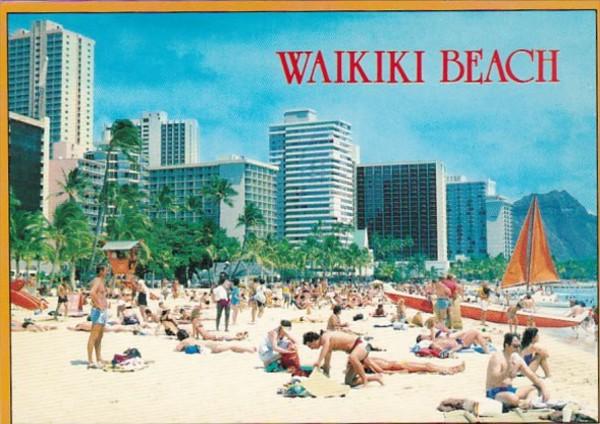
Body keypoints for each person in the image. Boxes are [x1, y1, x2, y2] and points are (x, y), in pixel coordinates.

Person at [485, 333, 549, 409]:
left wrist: (544, 388)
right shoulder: (497, 358)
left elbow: (531, 375)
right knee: (513, 398)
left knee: (536, 389)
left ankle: (526, 402)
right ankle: (524, 402)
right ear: (506, 345)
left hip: (510, 390)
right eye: (515, 346)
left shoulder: (517, 358)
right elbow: (494, 380)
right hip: (495, 391)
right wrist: (507, 371)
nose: (518, 349)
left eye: (519, 346)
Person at [303, 330, 384, 387]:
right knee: (349, 382)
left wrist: (318, 361)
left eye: (310, 345)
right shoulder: (326, 348)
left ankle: (365, 382)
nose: (311, 348)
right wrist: (325, 381)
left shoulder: (325, 336)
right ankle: (375, 378)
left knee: (352, 357)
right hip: (357, 350)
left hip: (362, 344)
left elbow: (325, 347)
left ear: (314, 340)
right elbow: (327, 365)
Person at [87, 265, 109, 369]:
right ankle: (90, 361)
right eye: (105, 270)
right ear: (101, 271)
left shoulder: (101, 281)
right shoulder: (97, 281)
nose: (107, 272)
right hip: (98, 311)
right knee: (93, 336)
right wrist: (99, 304)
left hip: (103, 311)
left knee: (100, 337)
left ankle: (99, 358)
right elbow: (92, 292)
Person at [364, 356, 465, 375]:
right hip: (400, 365)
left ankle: (449, 369)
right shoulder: (367, 361)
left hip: (399, 364)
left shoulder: (366, 359)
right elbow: (382, 371)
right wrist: (399, 372)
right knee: (426, 366)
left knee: (426, 365)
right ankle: (450, 370)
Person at [175, 333, 256, 354]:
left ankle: (250, 350)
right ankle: (249, 348)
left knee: (232, 347)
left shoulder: (184, 341)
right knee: (231, 346)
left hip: (211, 348)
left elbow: (178, 349)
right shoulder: (191, 338)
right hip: (210, 343)